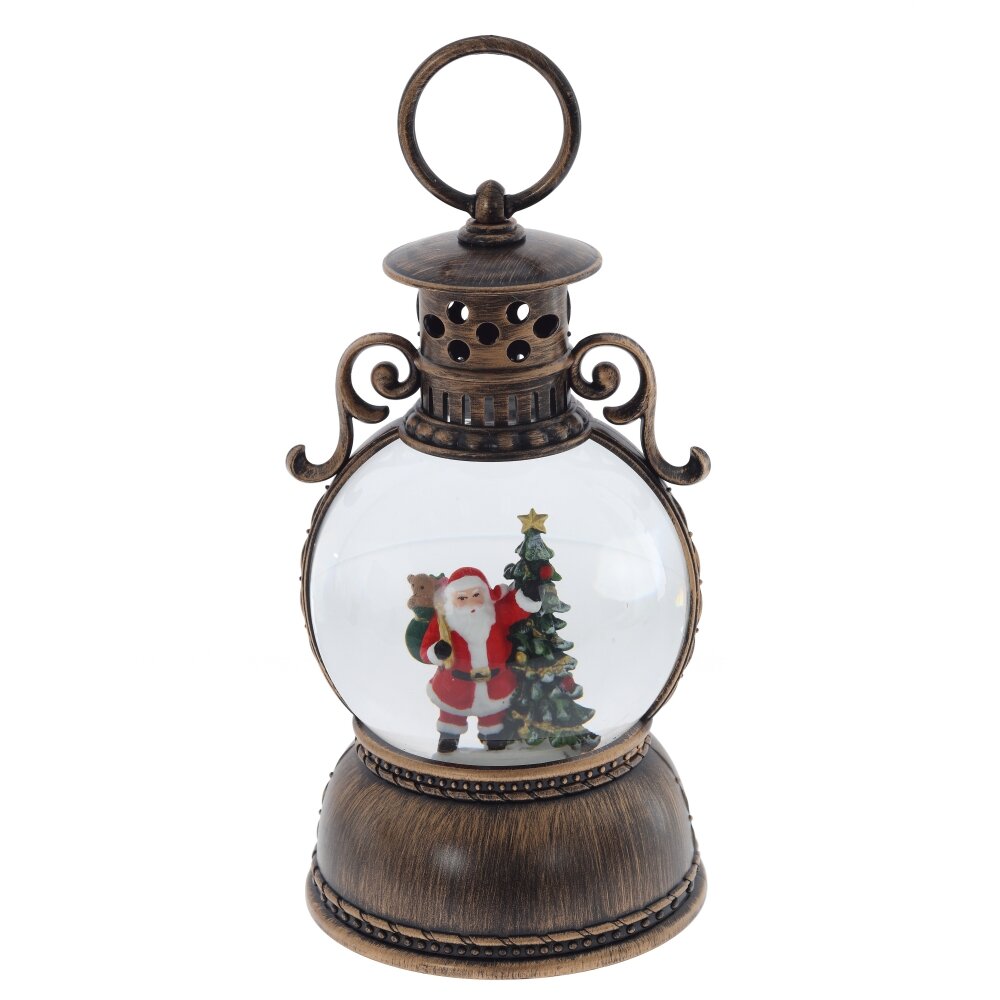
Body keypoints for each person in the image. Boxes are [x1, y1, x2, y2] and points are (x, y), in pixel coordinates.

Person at [420, 566, 541, 752]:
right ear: (452, 599)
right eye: (462, 598)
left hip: (495, 682)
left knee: (493, 716)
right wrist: (436, 652)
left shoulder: (496, 612)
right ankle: (449, 737)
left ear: (486, 593)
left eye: (476, 595)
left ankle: (492, 737)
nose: (470, 602)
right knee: (451, 715)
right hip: (455, 685)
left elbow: (516, 608)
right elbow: (425, 649)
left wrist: (529, 596)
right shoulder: (443, 620)